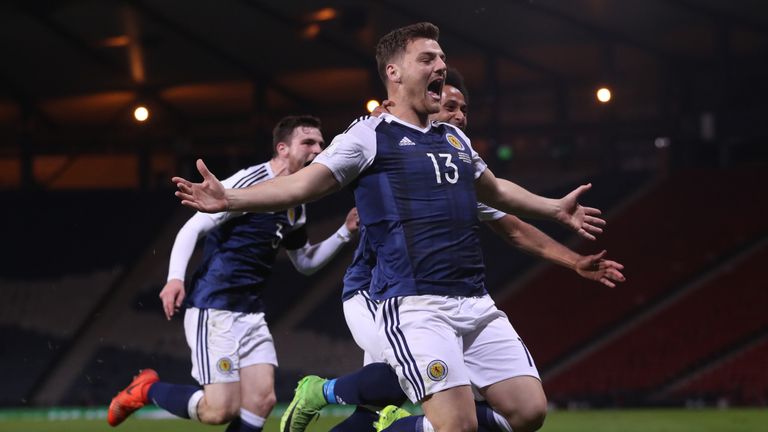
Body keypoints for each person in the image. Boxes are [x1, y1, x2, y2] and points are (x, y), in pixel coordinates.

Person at [173, 22, 607, 432]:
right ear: (394, 72)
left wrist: (555, 208)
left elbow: (495, 192)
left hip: (475, 301)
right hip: (416, 305)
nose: (440, 66)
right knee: (455, 424)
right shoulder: (368, 136)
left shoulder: (455, 139)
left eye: (441, 58)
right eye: (428, 59)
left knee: (528, 412)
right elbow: (303, 185)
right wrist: (229, 198)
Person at [278, 67, 626, 432]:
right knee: (405, 383)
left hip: (447, 298)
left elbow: (514, 229)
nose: (458, 115)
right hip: (378, 293)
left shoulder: (455, 169)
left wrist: (574, 261)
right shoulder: (385, 149)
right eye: (449, 106)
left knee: (392, 409)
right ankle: (321, 391)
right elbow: (317, 179)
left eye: (463, 108)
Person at [107, 115, 359, 432]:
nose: (318, 149)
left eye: (321, 143)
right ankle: (146, 389)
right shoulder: (250, 180)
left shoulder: (296, 201)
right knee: (219, 411)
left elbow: (304, 262)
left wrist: (345, 232)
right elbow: (193, 226)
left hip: (251, 313)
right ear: (282, 149)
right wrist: (175, 278)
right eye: (308, 142)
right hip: (214, 308)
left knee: (262, 401)